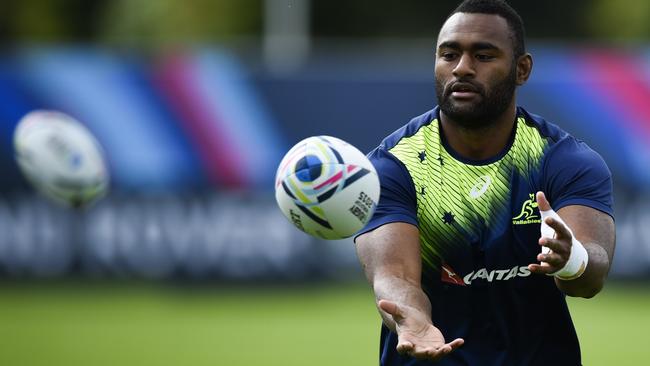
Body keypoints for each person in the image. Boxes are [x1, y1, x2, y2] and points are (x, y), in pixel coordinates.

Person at [354, 0, 616, 365]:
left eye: (483, 56)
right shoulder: (392, 166)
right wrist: (412, 320)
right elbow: (394, 275)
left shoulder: (565, 162)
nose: (462, 68)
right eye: (449, 54)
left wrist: (571, 259)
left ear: (521, 69)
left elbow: (591, 276)